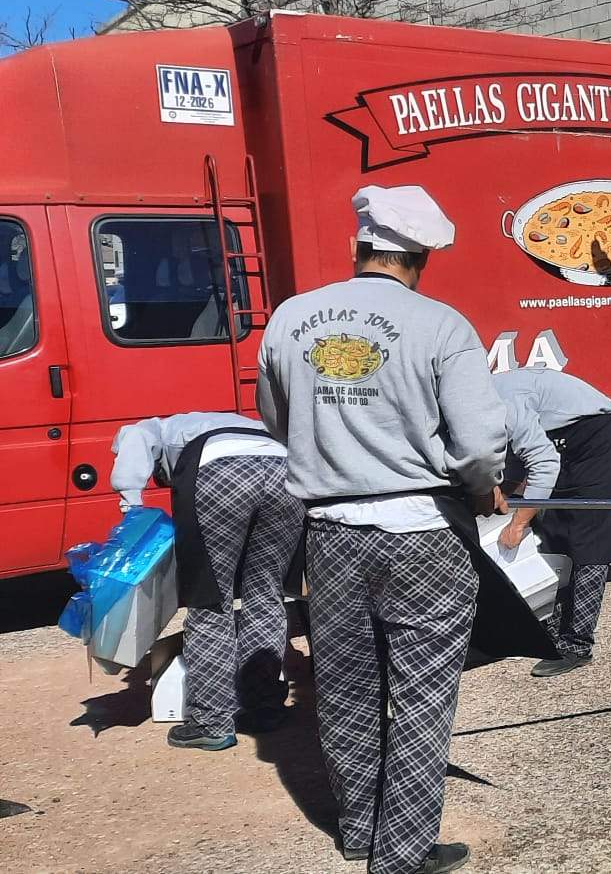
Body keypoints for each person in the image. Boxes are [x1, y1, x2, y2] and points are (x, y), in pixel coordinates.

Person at [258, 185, 554, 874]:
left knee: (345, 685)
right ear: (422, 256)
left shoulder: (291, 319)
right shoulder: (440, 325)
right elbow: (482, 443)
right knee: (422, 692)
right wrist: (481, 486)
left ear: (357, 247)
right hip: (422, 528)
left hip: (329, 529)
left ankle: (360, 829)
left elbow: (278, 418)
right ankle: (402, 850)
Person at [109, 412, 299, 751]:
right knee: (266, 596)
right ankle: (265, 708)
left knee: (210, 600)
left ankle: (210, 722)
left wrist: (131, 506)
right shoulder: (228, 421)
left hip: (217, 473)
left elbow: (135, 441)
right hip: (283, 471)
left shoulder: (155, 427)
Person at [492, 366, 611, 677]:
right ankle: (552, 631)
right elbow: (519, 459)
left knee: (588, 542)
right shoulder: (482, 403)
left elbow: (541, 464)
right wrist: (498, 494)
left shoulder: (504, 401)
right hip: (563, 446)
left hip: (599, 442)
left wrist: (518, 524)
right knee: (554, 535)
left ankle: (577, 644)